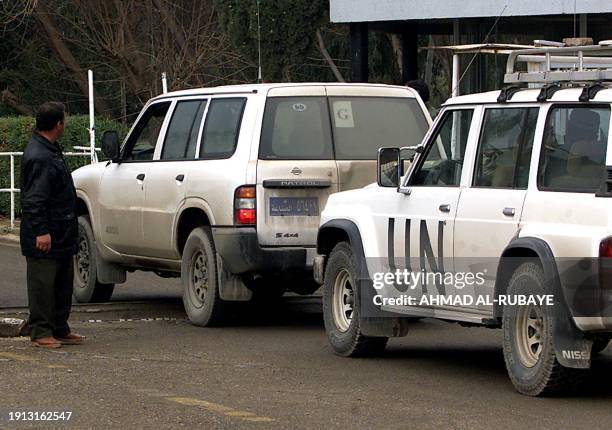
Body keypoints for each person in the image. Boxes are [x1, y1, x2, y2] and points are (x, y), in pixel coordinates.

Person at [20, 102, 84, 348]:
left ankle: (59, 326)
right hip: (47, 233)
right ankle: (40, 330)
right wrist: (41, 231)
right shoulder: (40, 155)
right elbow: (34, 199)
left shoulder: (49, 149)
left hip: (61, 230)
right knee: (43, 284)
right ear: (58, 124)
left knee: (61, 283)